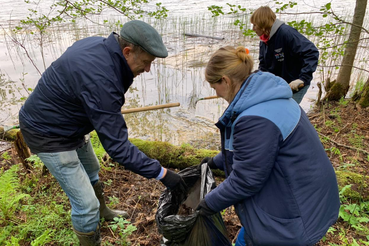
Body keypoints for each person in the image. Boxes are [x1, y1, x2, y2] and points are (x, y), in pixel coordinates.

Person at [18, 20, 185, 245]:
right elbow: (118, 147)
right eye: (146, 62)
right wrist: (163, 174)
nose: (147, 69)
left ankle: (103, 212)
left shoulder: (101, 46)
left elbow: (96, 100)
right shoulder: (101, 78)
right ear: (127, 51)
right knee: (86, 206)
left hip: (70, 123)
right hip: (48, 133)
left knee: (92, 170)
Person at [196, 46, 340, 246]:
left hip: (297, 216)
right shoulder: (268, 97)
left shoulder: (255, 119)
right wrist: (215, 161)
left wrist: (207, 204)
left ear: (226, 81)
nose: (218, 94)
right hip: (310, 196)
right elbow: (253, 152)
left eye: (215, 87)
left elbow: (245, 180)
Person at [250, 6, 319, 104]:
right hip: (280, 84)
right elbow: (264, 66)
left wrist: (303, 78)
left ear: (263, 23)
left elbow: (311, 52)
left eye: (255, 25)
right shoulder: (264, 41)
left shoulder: (286, 33)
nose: (253, 29)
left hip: (297, 82)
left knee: (287, 111)